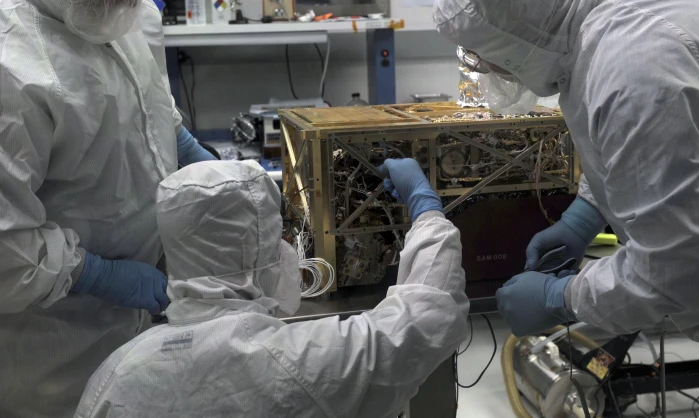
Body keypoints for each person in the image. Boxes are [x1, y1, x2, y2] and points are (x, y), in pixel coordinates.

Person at [434, 0, 699, 417]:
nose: (487, 70)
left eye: (484, 57)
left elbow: (678, 268)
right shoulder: (609, 0)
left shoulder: (632, 67)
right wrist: (586, 212)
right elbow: (657, 152)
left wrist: (563, 298)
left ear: (513, 38)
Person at [0, 0, 214, 416]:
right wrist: (105, 277)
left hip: (143, 333)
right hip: (54, 349)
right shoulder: (11, 62)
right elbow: (7, 253)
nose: (125, 0)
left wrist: (193, 156)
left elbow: (145, 102)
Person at [74, 159, 469, 418]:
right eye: (278, 232)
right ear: (257, 249)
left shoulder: (113, 377)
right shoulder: (301, 363)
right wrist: (426, 209)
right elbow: (428, 316)